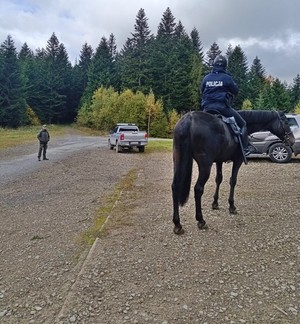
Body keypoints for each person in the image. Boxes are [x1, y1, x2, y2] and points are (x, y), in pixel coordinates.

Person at [200, 54, 251, 156]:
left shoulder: (206, 78)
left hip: (206, 108)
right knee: (243, 124)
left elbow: (202, 90)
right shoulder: (227, 78)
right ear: (225, 66)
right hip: (222, 108)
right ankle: (244, 149)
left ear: (213, 64)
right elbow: (235, 91)